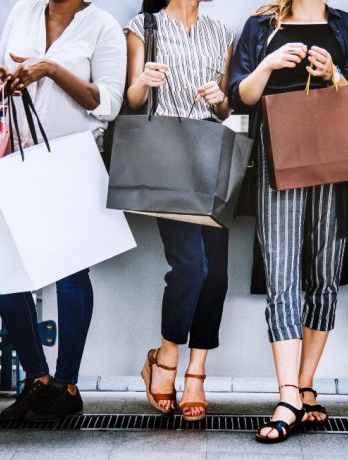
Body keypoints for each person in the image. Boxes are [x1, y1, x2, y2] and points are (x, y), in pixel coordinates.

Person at [229, 0, 348, 443]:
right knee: (282, 270)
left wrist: (333, 74)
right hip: (277, 155)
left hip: (335, 158)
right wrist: (269, 64)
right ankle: (287, 393)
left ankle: (306, 384)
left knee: (324, 273)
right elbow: (240, 96)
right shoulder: (261, 26)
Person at [0, 0, 126, 421]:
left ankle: (67, 385)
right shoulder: (23, 12)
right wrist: (3, 80)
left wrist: (50, 69)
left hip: (72, 161)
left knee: (70, 273)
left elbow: (108, 103)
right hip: (14, 158)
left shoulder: (102, 26)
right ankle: (38, 379)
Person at [126, 0, 234, 422]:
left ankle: (196, 372)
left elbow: (225, 110)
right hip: (166, 154)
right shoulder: (143, 25)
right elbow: (134, 100)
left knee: (217, 274)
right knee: (192, 266)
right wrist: (145, 80)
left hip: (210, 152)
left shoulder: (220, 32)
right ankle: (166, 353)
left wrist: (219, 98)